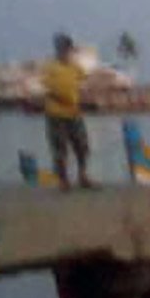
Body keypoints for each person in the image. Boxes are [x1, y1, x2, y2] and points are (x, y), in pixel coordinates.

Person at [42, 33, 92, 188]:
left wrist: (82, 98)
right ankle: (63, 180)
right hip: (56, 114)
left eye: (68, 49)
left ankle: (83, 176)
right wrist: (61, 97)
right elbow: (47, 87)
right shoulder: (50, 67)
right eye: (62, 48)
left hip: (74, 112)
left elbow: (84, 82)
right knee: (60, 148)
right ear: (58, 49)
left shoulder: (75, 67)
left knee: (82, 146)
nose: (65, 52)